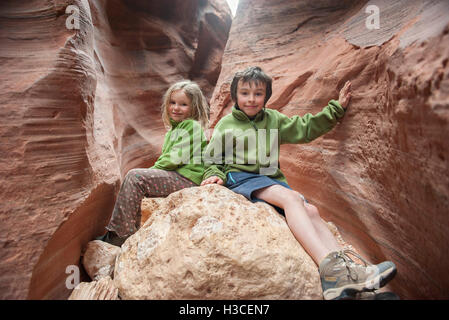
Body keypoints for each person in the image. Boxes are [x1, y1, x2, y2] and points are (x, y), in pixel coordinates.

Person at [201, 66, 396, 300]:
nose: (251, 99)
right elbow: (213, 156)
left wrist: (335, 110)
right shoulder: (227, 124)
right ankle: (331, 270)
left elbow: (304, 129)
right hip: (240, 176)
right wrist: (213, 174)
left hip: (268, 179)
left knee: (311, 211)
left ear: (266, 96)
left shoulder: (273, 119)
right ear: (235, 95)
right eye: (244, 93)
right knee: (291, 198)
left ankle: (349, 275)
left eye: (258, 94)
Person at [98, 80, 209, 246]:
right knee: (136, 181)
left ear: (194, 107)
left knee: (136, 177)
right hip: (179, 176)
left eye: (183, 104)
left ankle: (119, 234)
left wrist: (152, 171)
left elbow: (174, 159)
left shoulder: (191, 127)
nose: (176, 108)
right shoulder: (175, 130)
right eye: (172, 103)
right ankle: (127, 232)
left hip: (188, 179)